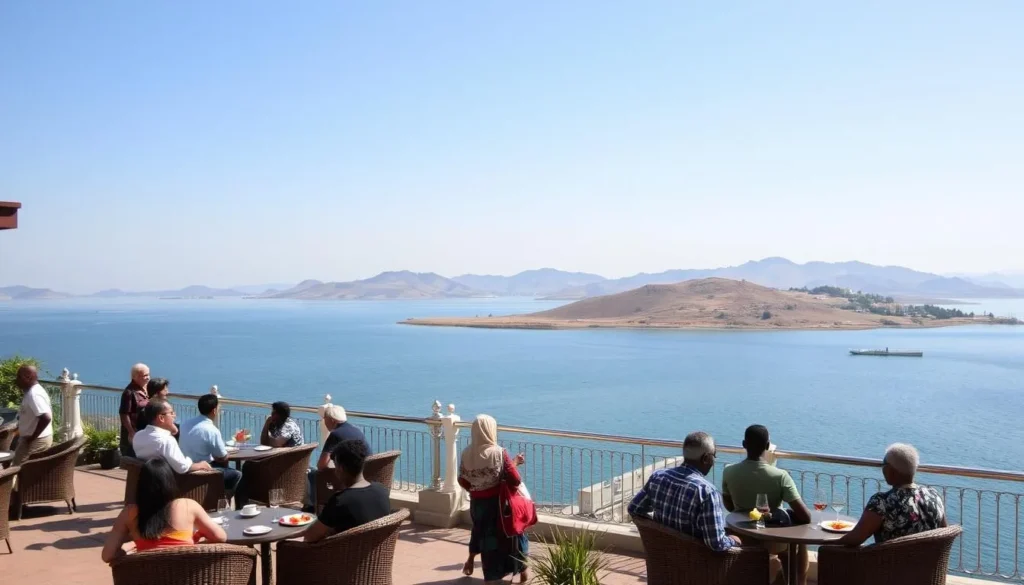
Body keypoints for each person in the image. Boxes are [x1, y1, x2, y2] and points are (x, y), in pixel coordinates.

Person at [722, 425, 811, 585]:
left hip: (742, 536)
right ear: (768, 446)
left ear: (744, 444)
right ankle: (797, 581)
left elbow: (729, 506)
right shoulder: (780, 476)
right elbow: (805, 516)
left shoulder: (728, 471)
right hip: (772, 540)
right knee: (799, 542)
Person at [628, 431, 740, 552]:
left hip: (661, 555)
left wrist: (655, 528)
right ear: (706, 458)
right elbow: (716, 543)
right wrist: (733, 540)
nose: (714, 461)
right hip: (695, 560)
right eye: (714, 456)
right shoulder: (707, 492)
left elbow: (634, 508)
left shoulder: (658, 477)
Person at [101, 458, 227, 563]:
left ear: (141, 485)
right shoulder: (187, 505)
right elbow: (220, 537)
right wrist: (193, 543)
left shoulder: (129, 513)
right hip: (187, 577)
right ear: (170, 482)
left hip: (147, 579)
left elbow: (107, 556)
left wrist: (131, 545)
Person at [457, 414, 529, 584]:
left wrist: (476, 490)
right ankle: (521, 571)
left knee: (480, 533)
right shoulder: (499, 453)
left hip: (477, 504)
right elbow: (515, 479)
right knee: (513, 535)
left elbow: (462, 479)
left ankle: (476, 565)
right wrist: (515, 462)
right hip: (498, 505)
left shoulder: (466, 453)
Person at [838, 443, 946, 546]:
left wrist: (829, 542)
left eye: (884, 465)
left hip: (889, 559)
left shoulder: (882, 502)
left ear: (890, 470)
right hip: (930, 559)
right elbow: (945, 534)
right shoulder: (934, 496)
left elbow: (855, 538)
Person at [302, 439, 390, 543]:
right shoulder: (382, 491)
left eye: (335, 467)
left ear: (341, 468)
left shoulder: (340, 501)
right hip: (375, 550)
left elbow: (309, 537)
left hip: (344, 552)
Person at [305, 404, 371, 510]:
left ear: (332, 420)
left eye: (324, 419)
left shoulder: (336, 434)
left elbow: (321, 465)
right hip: (364, 472)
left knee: (312, 474)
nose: (324, 422)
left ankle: (312, 507)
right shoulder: (357, 430)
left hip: (348, 476)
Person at [180, 394, 243, 496]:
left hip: (186, 469)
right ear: (214, 410)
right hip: (203, 471)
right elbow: (223, 456)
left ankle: (217, 496)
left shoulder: (185, 424)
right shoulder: (212, 430)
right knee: (238, 474)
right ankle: (227, 500)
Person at [133, 399, 212, 474]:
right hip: (165, 480)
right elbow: (182, 467)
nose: (174, 415)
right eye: (171, 413)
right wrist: (200, 465)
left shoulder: (138, 435)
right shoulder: (166, 440)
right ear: (161, 418)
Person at [11, 365, 53, 467]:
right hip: (30, 439)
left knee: (23, 469)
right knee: (17, 466)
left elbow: (46, 418)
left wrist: (32, 437)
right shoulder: (33, 391)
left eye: (19, 377)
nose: (17, 380)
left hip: (37, 440)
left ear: (28, 377)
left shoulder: (34, 394)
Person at [119, 363, 150, 457]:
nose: (148, 378)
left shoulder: (146, 388)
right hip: (134, 431)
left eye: (148, 374)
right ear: (135, 377)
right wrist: (131, 431)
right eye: (144, 375)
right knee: (133, 457)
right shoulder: (129, 392)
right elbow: (124, 414)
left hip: (143, 430)